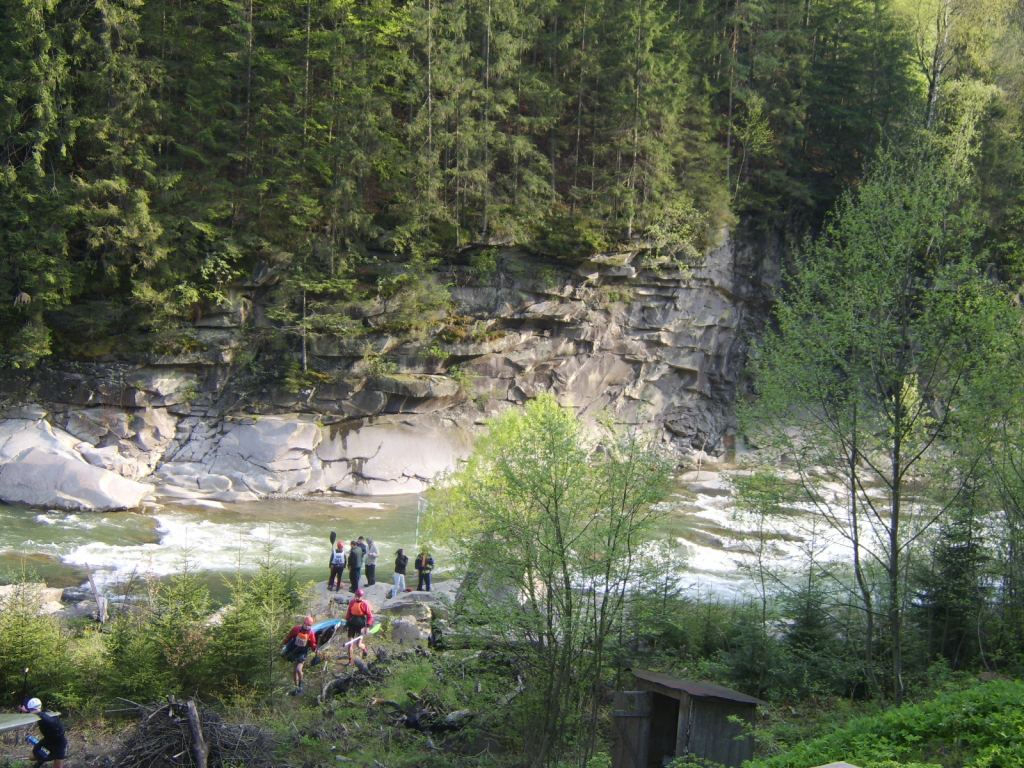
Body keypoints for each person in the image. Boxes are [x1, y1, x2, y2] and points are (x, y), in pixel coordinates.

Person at [18, 697, 67, 768]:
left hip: (59, 742)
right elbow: (36, 713)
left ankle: (48, 756)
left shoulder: (44, 716)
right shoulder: (42, 713)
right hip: (48, 740)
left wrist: (29, 711)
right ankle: (44, 757)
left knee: (57, 763)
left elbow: (41, 715)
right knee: (31, 757)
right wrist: (27, 711)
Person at [281, 615, 318, 695]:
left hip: (303, 652)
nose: (307, 626)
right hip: (294, 650)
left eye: (309, 625)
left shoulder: (311, 633)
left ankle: (301, 686)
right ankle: (296, 687)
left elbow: (313, 643)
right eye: (306, 624)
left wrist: (315, 648)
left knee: (298, 669)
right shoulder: (296, 629)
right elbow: (288, 637)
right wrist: (283, 645)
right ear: (303, 622)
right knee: (294, 671)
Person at [344, 588, 374, 663]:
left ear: (362, 596)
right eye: (356, 596)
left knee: (358, 644)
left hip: (361, 625)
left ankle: (364, 649)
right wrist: (346, 622)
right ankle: (350, 661)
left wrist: (367, 626)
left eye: (359, 596)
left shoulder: (365, 604)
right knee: (350, 644)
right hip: (352, 624)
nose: (357, 597)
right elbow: (348, 613)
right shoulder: (352, 602)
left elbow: (370, 616)